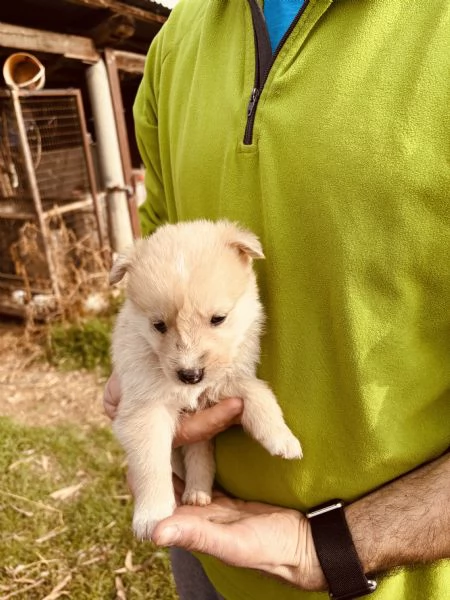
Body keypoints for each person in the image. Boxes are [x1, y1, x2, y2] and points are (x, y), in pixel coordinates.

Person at [104, 1, 450, 598]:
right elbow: (158, 242)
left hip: (403, 577)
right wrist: (136, 380)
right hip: (204, 546)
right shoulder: (173, 44)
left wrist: (334, 546)